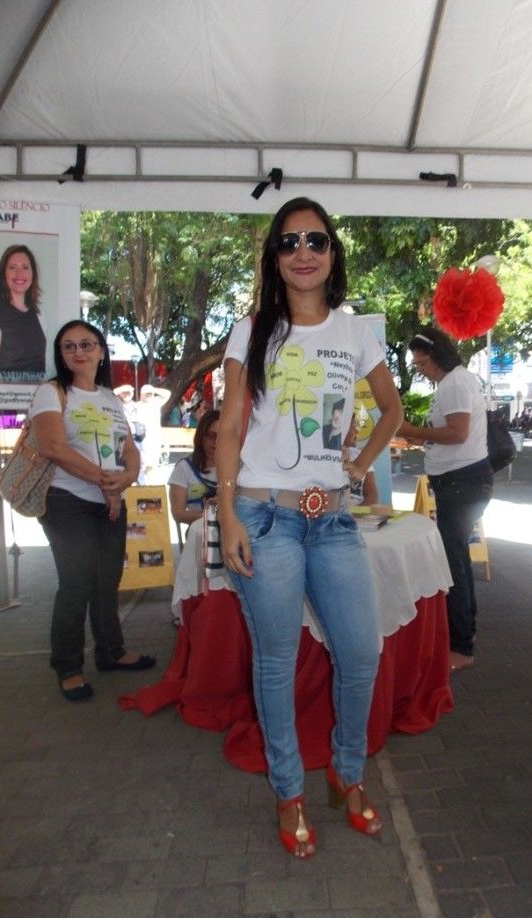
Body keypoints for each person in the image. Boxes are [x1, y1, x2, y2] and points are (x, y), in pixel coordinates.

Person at [216, 196, 403, 859]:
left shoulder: (354, 331)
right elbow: (232, 426)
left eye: (316, 241)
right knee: (276, 659)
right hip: (266, 518)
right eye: (289, 241)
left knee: (361, 652)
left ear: (332, 254)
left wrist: (357, 461)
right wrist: (227, 511)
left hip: (333, 520)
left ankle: (346, 772)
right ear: (274, 255)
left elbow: (391, 406)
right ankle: (290, 790)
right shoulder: (252, 330)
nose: (303, 251)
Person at [30, 320, 156, 702]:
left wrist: (128, 477)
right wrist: (106, 481)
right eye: (69, 346)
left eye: (86, 344)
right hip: (67, 503)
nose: (78, 352)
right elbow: (53, 447)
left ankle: (111, 652)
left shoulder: (108, 397)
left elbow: (128, 447)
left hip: (110, 500)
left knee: (107, 580)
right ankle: (67, 667)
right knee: (77, 583)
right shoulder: (51, 392)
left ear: (102, 350)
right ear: (61, 355)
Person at [396, 326, 492, 673]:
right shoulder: (453, 383)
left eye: (418, 359)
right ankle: (466, 632)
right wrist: (418, 439)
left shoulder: (455, 383)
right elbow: (452, 436)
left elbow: (457, 433)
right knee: (458, 561)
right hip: (458, 481)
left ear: (432, 353)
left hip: (460, 482)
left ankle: (461, 646)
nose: (417, 366)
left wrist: (411, 431)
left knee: (454, 564)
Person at [0, 244, 47, 382]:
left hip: (37, 399)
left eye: (25, 267)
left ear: (33, 274)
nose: (19, 273)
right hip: (7, 399)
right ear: (4, 274)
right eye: (12, 267)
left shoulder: (37, 314)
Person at [168, 409, 219, 527]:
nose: (216, 441)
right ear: (201, 435)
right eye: (211, 435)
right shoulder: (184, 468)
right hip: (199, 532)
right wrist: (208, 517)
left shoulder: (237, 467)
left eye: (221, 436)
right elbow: (177, 513)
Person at [137, 383, 171, 482]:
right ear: (141, 395)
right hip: (141, 440)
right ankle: (142, 487)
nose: (148, 395)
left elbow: (167, 394)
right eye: (146, 394)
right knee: (141, 466)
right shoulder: (137, 405)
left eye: (150, 394)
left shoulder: (156, 402)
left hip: (154, 440)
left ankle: (152, 488)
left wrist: (153, 390)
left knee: (152, 466)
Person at [343, 414, 378, 506]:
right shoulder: (324, 457)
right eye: (353, 427)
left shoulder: (360, 455)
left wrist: (359, 514)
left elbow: (372, 495)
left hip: (358, 516)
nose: (357, 432)